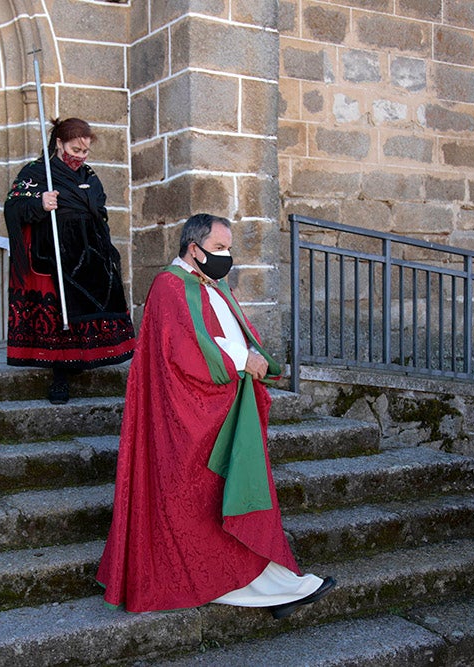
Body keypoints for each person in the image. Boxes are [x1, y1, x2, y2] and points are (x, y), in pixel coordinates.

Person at [96, 213, 335, 618]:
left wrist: (256, 359)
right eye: (221, 248)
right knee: (208, 498)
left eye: (228, 248)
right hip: (190, 417)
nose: (228, 256)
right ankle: (250, 586)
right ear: (194, 249)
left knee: (231, 492)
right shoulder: (170, 286)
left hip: (221, 407)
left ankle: (272, 582)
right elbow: (187, 349)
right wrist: (244, 360)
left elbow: (228, 331)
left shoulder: (210, 283)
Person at [4, 117, 135, 403]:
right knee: (61, 313)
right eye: (75, 150)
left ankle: (81, 359)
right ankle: (59, 375)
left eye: (85, 151)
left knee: (89, 307)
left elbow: (99, 207)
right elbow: (13, 207)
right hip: (53, 253)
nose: (81, 156)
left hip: (89, 251)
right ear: (59, 143)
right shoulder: (38, 172)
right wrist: (40, 203)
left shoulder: (88, 174)